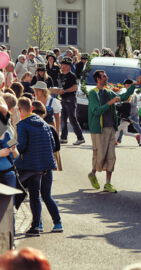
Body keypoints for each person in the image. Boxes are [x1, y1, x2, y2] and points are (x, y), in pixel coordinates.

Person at [87, 70, 141, 193]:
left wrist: (134, 85)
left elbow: (122, 97)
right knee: (99, 155)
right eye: (104, 76)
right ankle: (93, 173)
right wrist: (110, 103)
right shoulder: (93, 94)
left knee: (111, 156)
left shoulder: (108, 91)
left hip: (111, 127)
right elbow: (96, 111)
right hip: (99, 129)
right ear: (98, 79)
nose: (106, 77)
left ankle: (108, 183)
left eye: (106, 75)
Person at [15, 97, 56, 236]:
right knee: (35, 195)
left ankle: (31, 225)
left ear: (20, 110)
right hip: (43, 166)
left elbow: (21, 146)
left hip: (28, 165)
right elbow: (52, 143)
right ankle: (36, 226)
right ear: (31, 108)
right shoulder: (43, 123)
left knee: (16, 190)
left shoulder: (22, 124)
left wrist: (10, 146)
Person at [31, 100, 63, 232]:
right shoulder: (50, 128)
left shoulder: (30, 126)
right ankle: (58, 223)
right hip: (48, 165)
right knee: (46, 195)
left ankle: (38, 224)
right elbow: (57, 146)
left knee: (35, 196)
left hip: (34, 166)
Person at [56, 57, 85, 145]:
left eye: (65, 65)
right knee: (63, 119)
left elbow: (75, 87)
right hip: (62, 99)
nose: (63, 66)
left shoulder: (72, 75)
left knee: (72, 119)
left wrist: (64, 91)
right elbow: (60, 86)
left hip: (70, 99)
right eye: (62, 64)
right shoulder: (60, 75)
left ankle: (80, 138)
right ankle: (63, 138)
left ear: (69, 66)